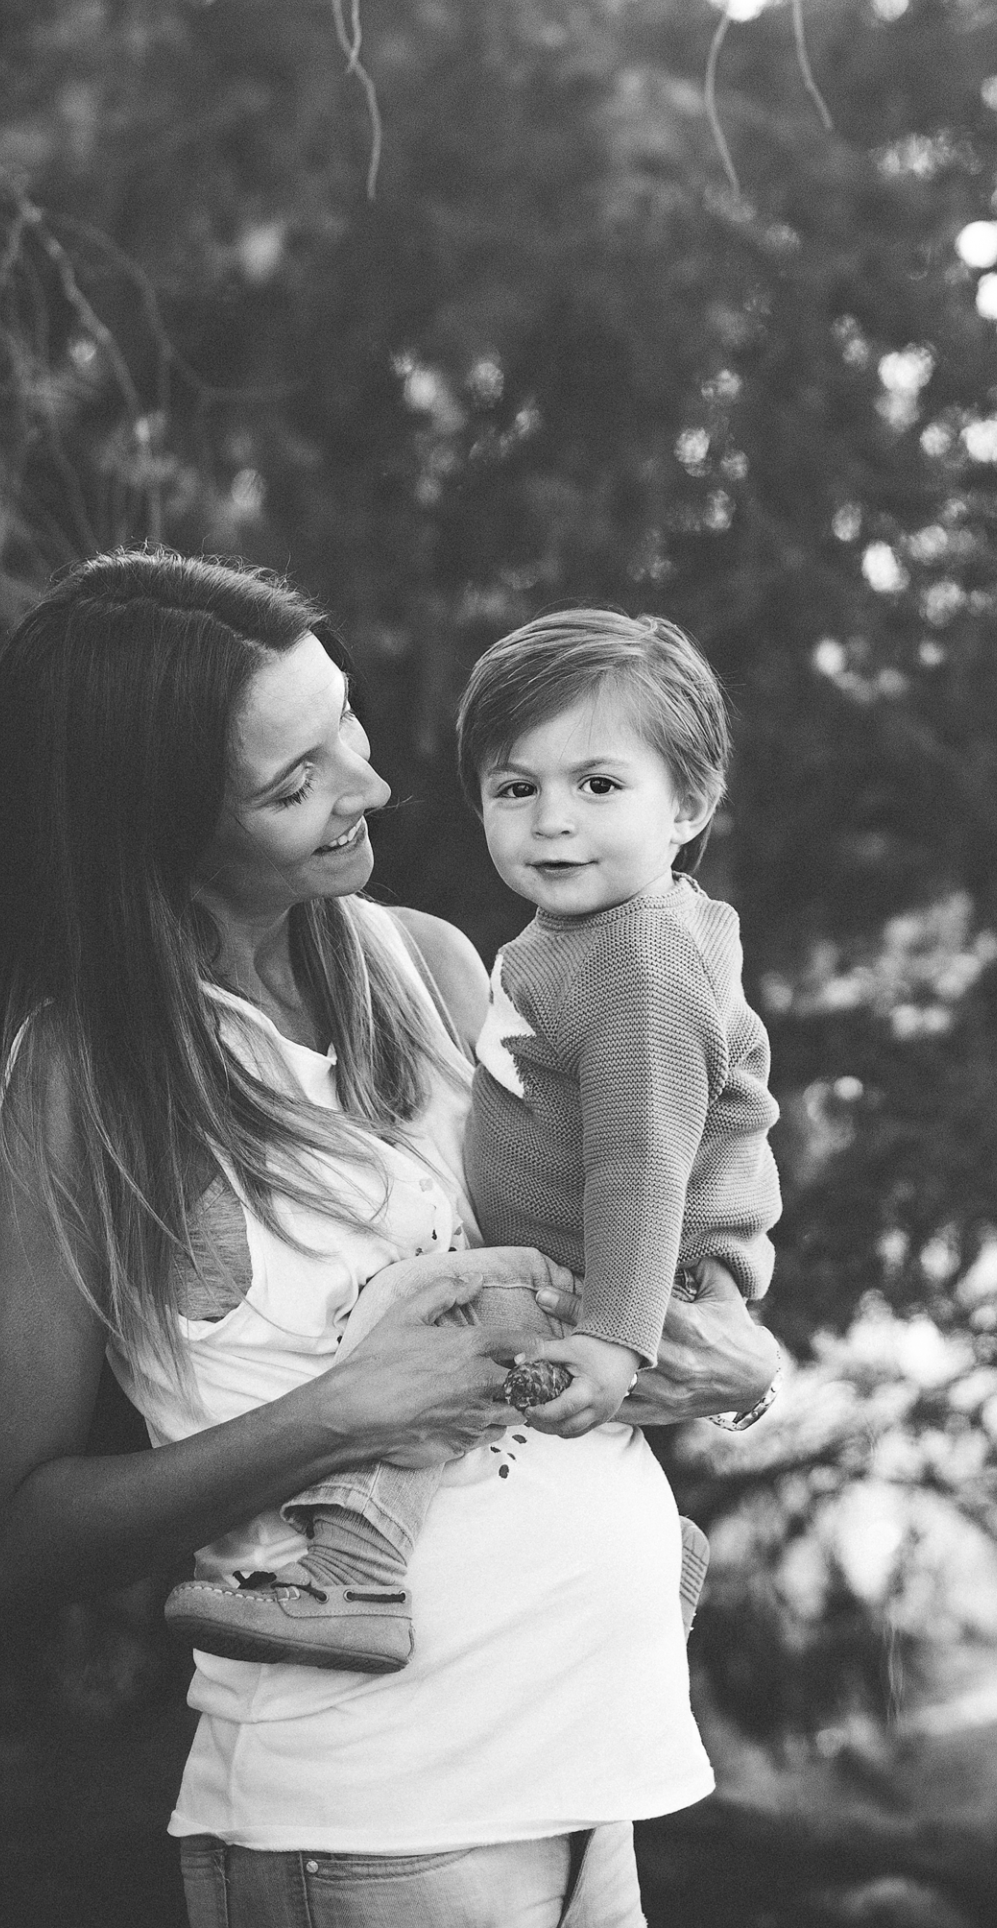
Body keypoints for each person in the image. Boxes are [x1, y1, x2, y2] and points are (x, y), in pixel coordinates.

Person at [0, 550, 782, 1928]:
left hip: (594, 1795)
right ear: (154, 824)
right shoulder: (89, 1080)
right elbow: (4, 1535)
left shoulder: (440, 965)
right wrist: (342, 1411)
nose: (373, 785)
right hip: (374, 1833)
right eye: (296, 781)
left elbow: (622, 1217)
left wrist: (731, 1359)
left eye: (345, 720)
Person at [175, 608, 781, 1674]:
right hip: (606, 1261)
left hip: (627, 1266)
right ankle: (656, 1558)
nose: (553, 821)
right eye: (515, 788)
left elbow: (641, 1162)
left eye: (599, 785)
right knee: (444, 1321)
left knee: (435, 1326)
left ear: (688, 805)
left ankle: (358, 1573)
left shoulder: (640, 959)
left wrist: (617, 1337)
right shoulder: (589, 932)